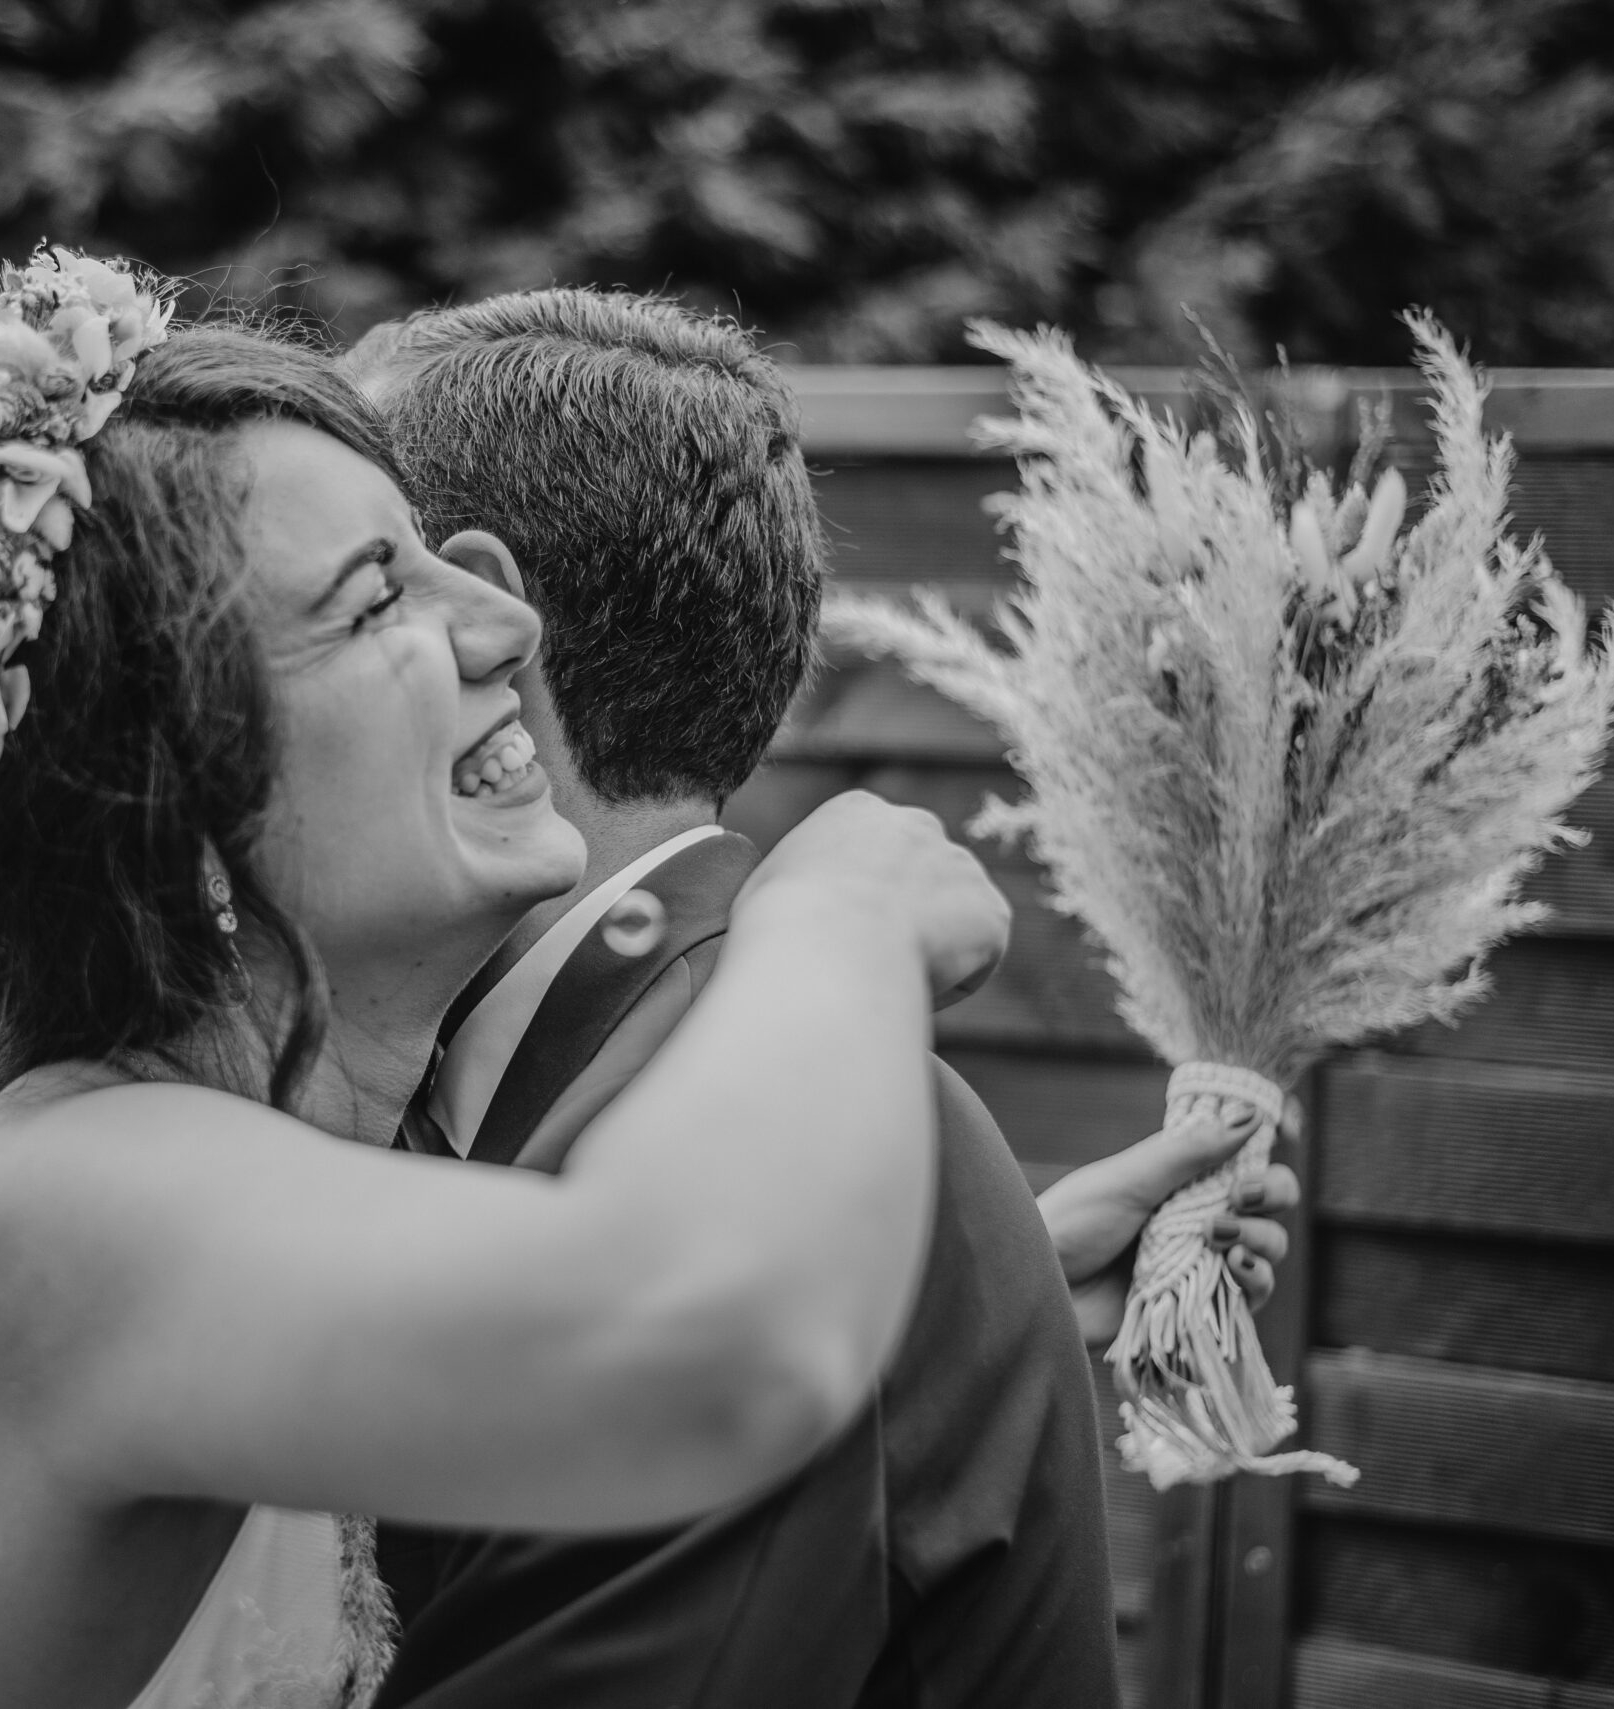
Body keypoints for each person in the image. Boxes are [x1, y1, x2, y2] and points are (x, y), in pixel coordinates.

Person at [0, 252, 1013, 1709]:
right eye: (377, 597)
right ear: (177, 808)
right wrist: (839, 915)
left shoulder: (182, 1183)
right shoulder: (74, 1197)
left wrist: (970, 1265)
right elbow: (704, 1345)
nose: (507, 623)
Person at [345, 289, 1300, 1709]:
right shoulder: (741, 1127)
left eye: (343, 599)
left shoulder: (768, 1173)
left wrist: (914, 1288)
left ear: (481, 628)